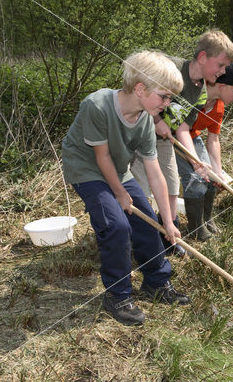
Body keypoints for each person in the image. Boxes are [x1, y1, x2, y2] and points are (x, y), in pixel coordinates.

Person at [61, 51, 190, 327]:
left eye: (171, 99)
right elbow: (101, 157)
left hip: (117, 169)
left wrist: (167, 221)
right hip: (86, 168)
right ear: (140, 89)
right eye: (164, 97)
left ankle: (156, 282)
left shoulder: (145, 118)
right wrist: (120, 193)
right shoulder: (97, 106)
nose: (168, 104)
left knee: (146, 219)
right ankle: (118, 295)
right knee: (117, 225)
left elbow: (155, 172)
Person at [131, 30, 233, 254]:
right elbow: (137, 91)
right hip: (138, 137)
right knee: (142, 191)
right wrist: (157, 119)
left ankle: (169, 237)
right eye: (221, 65)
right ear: (202, 58)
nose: (223, 71)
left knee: (171, 186)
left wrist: (196, 161)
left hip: (164, 141)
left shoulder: (202, 93)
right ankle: (143, 243)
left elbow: (184, 128)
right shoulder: (171, 68)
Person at [176, 63, 233, 241]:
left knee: (211, 177)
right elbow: (179, 128)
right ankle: (196, 228)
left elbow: (213, 139)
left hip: (192, 137)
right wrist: (196, 163)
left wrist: (217, 173)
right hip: (173, 137)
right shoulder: (194, 96)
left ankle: (206, 219)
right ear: (222, 86)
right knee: (196, 180)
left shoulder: (218, 107)